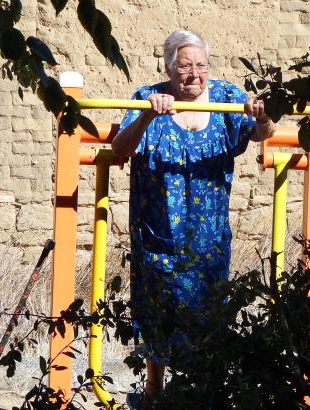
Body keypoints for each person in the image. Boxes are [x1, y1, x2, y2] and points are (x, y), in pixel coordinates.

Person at [112, 29, 276, 401]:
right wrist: (147, 117)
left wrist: (263, 116)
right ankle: (154, 391)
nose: (194, 74)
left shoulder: (226, 98)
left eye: (201, 65)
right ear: (169, 68)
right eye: (185, 66)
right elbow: (121, 148)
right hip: (159, 233)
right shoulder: (147, 97)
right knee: (157, 311)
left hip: (208, 238)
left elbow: (262, 132)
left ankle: (201, 391)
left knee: (207, 312)